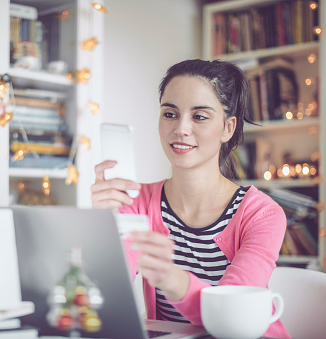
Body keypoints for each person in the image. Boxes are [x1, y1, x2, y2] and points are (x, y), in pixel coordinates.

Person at [91, 59, 290, 338]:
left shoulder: (262, 214)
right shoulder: (135, 202)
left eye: (199, 116)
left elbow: (230, 316)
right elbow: (103, 297)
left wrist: (172, 278)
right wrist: (100, 229)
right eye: (170, 114)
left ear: (228, 128)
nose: (181, 128)